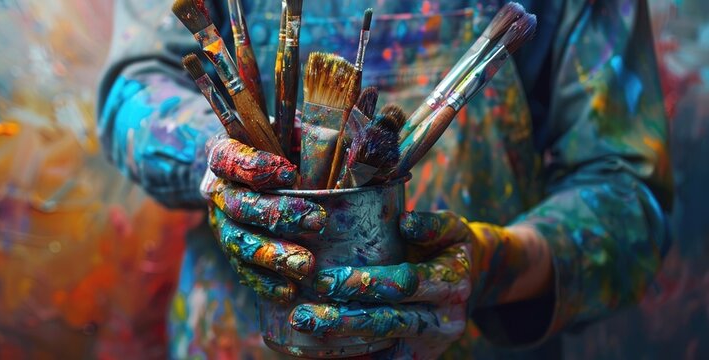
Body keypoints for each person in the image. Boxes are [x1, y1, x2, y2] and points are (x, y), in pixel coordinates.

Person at [97, 0, 672, 358]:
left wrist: (496, 263)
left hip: (471, 342)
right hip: (239, 337)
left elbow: (627, 192)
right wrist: (218, 158)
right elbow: (135, 86)